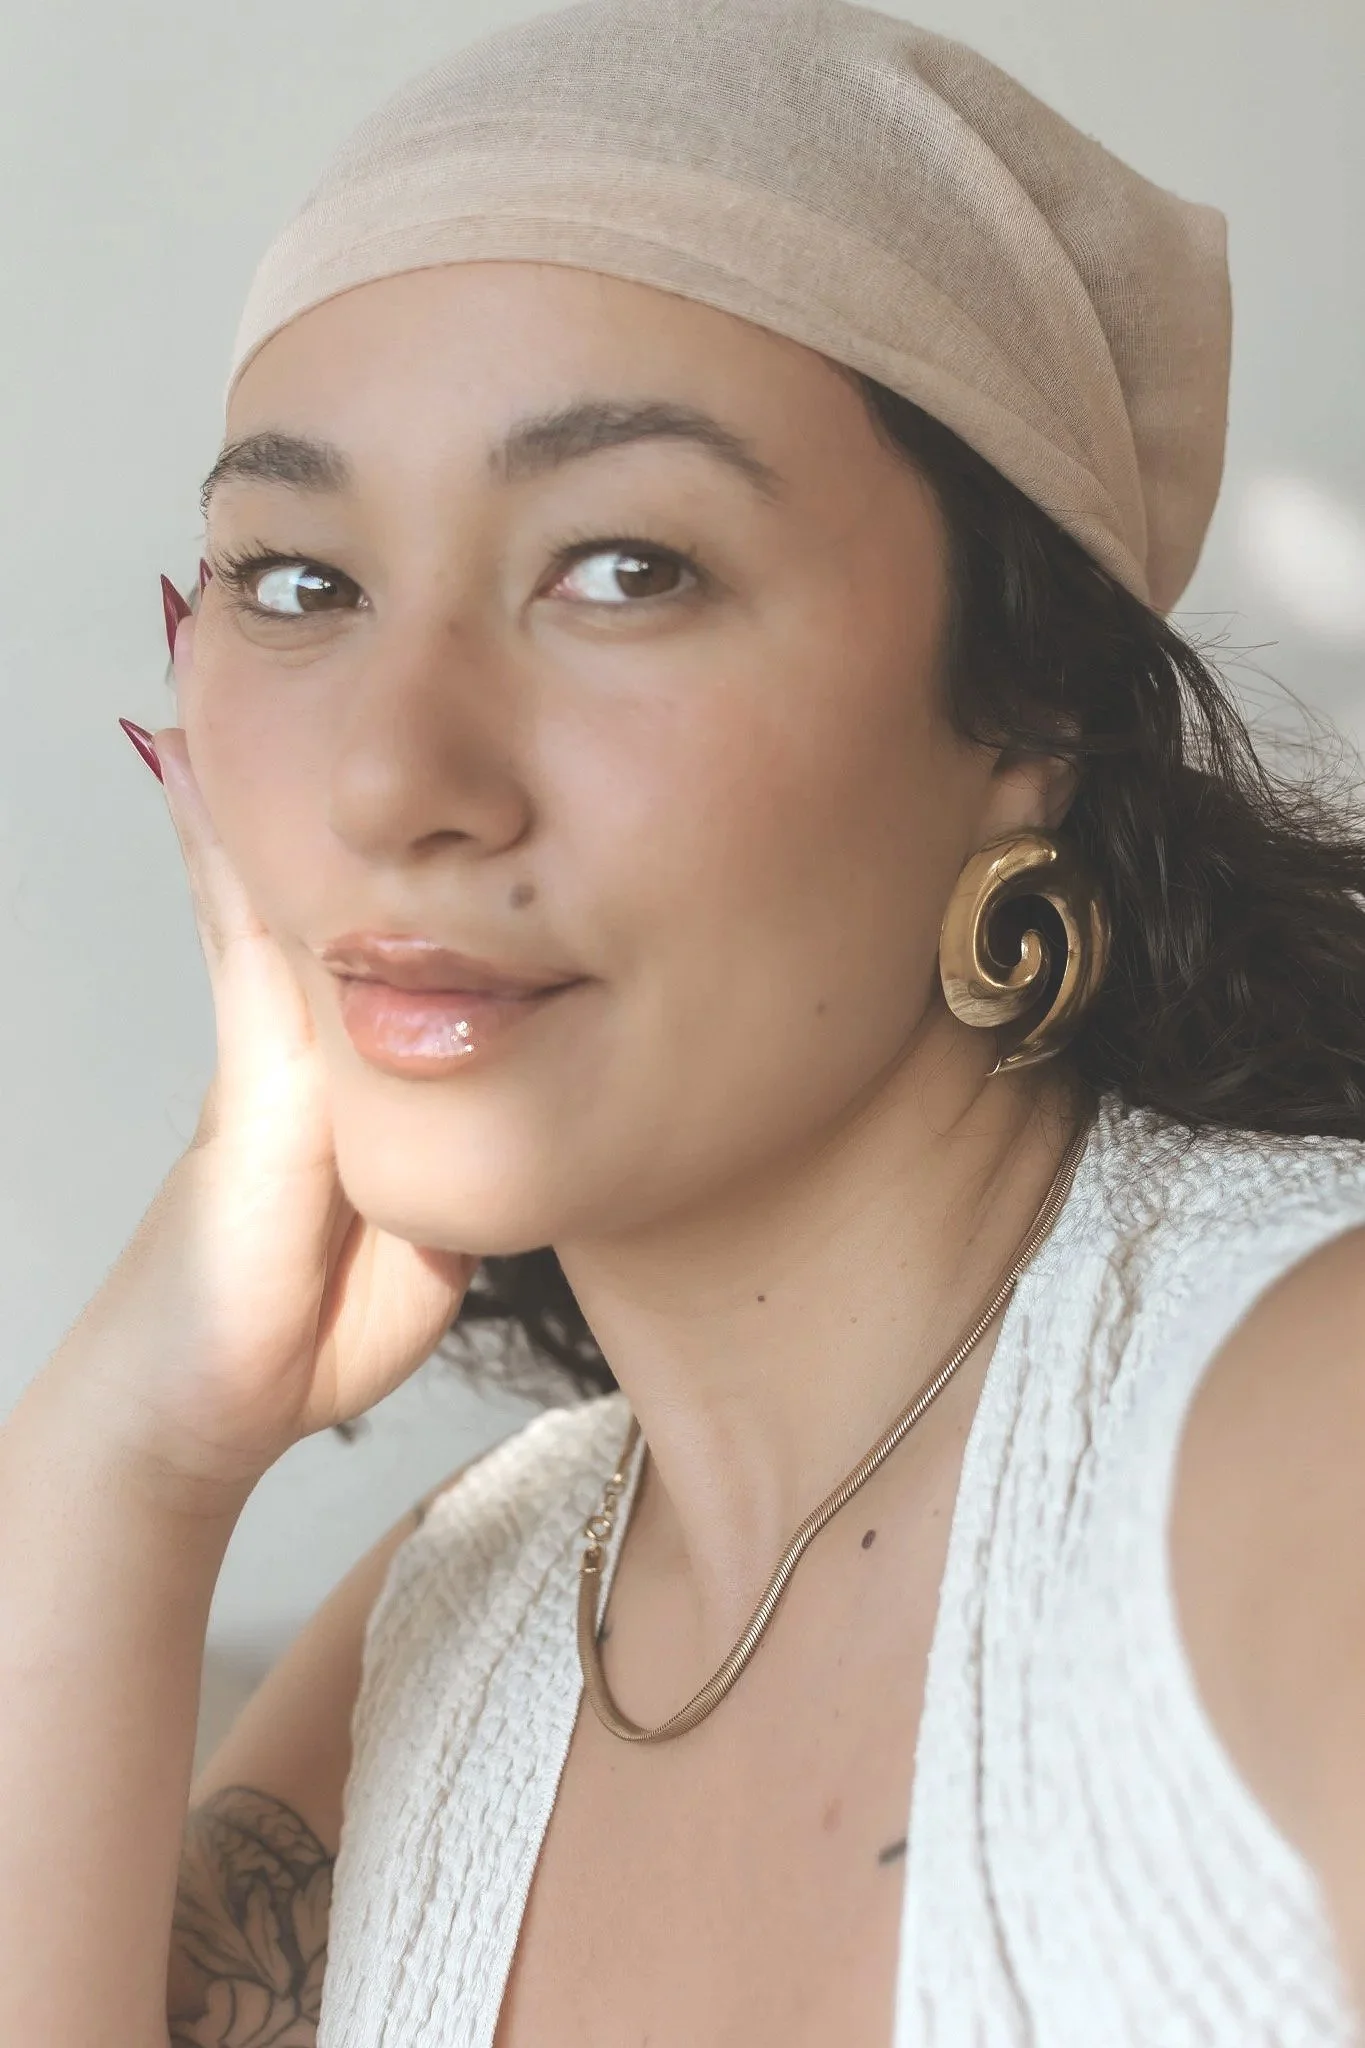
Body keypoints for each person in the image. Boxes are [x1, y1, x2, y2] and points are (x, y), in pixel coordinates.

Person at [4, 0, 1365, 2041]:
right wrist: (126, 1460)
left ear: (1033, 711)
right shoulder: (461, 1624)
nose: (396, 778)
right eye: (296, 583)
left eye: (623, 567)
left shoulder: (1304, 1438)